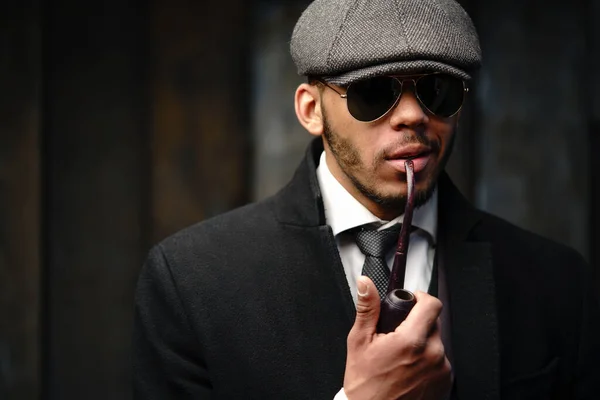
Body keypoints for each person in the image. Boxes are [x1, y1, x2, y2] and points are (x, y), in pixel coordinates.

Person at [133, 0, 600, 398]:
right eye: (374, 93)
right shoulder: (194, 281)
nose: (415, 116)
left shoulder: (555, 280)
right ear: (311, 110)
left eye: (438, 91)